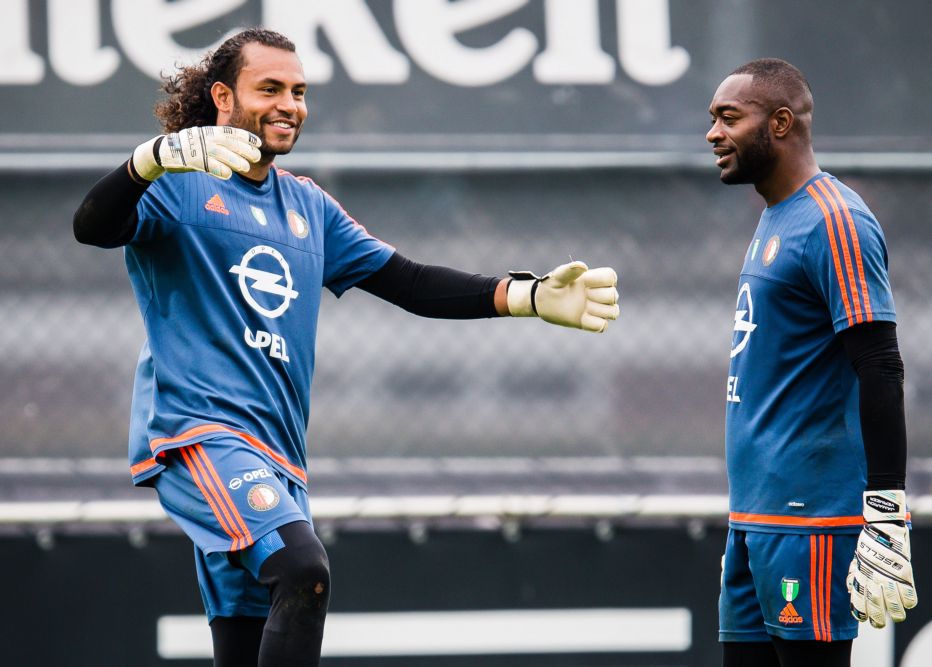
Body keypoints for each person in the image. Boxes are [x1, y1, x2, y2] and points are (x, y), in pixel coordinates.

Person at [73, 28, 619, 667]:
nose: (290, 105)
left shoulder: (308, 205)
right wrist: (152, 158)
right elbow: (92, 226)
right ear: (222, 97)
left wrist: (524, 295)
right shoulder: (172, 184)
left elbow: (410, 282)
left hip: (280, 458)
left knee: (247, 644)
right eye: (269, 88)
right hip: (201, 441)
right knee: (303, 569)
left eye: (299, 92)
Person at [706, 59, 917, 666]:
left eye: (728, 118)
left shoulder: (835, 219)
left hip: (809, 523)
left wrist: (885, 513)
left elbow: (880, 366)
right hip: (754, 518)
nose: (713, 134)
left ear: (779, 122)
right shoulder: (777, 215)